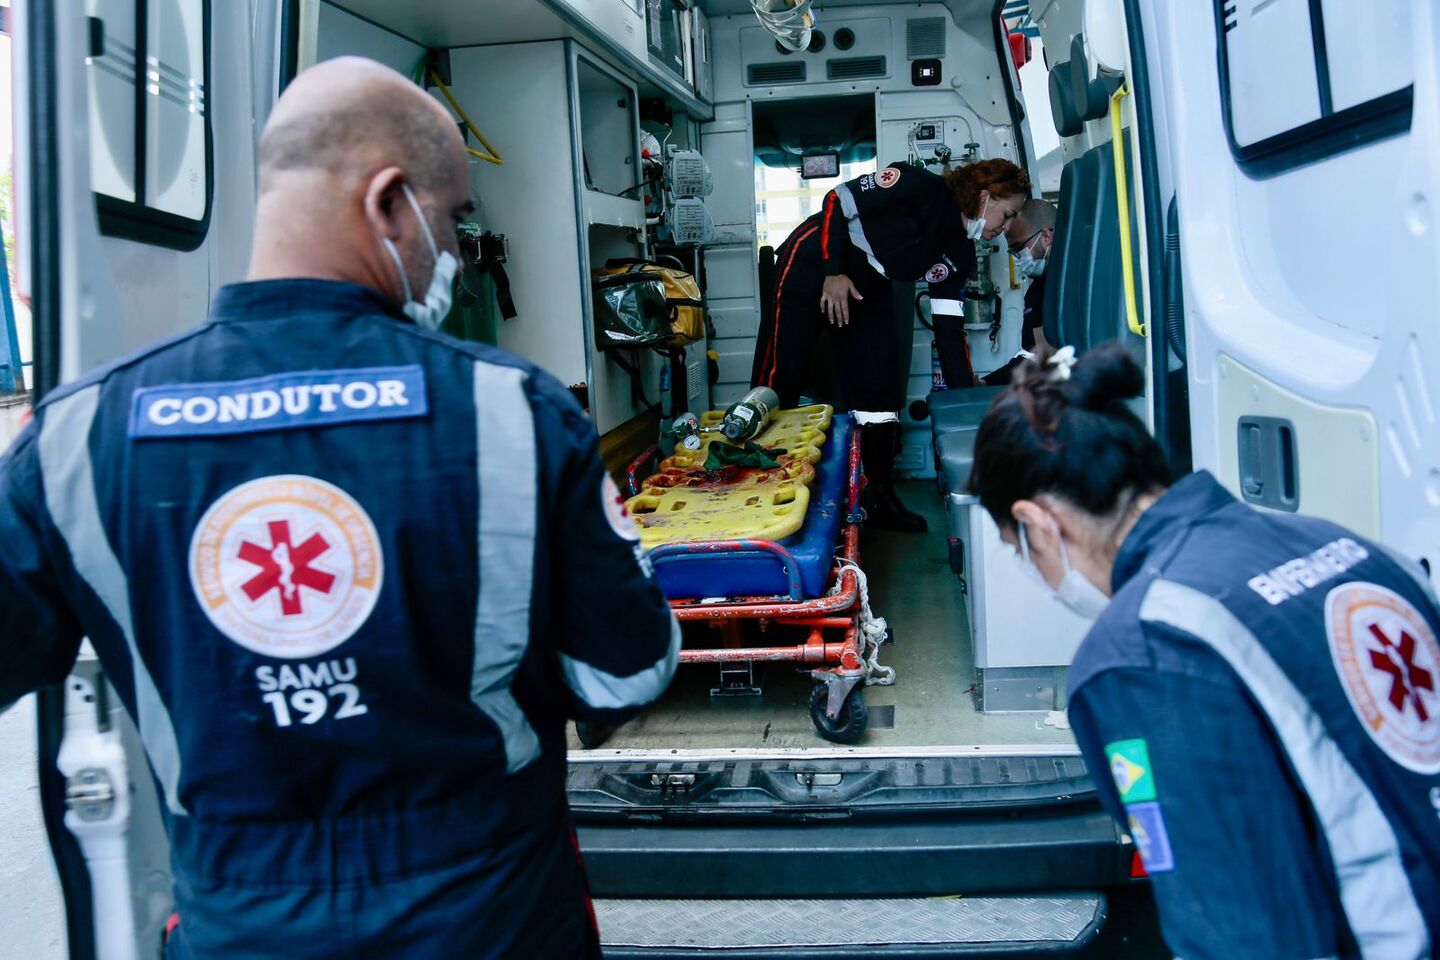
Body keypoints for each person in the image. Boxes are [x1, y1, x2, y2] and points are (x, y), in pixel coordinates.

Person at [0, 57, 679, 959]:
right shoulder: (511, 413)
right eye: (454, 220)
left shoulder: (76, 439)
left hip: (240, 929)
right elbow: (623, 677)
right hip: (489, 919)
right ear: (389, 203)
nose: (454, 254)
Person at [967, 344, 1439, 958]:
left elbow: (1236, 929)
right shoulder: (1341, 545)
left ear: (1038, 522)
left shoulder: (1143, 654)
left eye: (1017, 546)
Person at [751, 158, 1031, 532]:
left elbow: (949, 333)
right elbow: (836, 200)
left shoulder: (958, 253)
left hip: (870, 283)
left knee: (880, 390)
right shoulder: (918, 185)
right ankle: (762, 485)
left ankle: (878, 496)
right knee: (780, 373)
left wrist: (967, 399)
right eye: (1008, 214)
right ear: (986, 196)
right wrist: (833, 273)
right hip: (815, 261)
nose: (1007, 227)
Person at [984, 198, 1057, 386]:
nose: (1018, 258)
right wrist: (986, 383)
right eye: (1013, 252)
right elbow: (1039, 357)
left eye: (1018, 248)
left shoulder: (1074, 284)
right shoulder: (1037, 292)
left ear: (1046, 237)